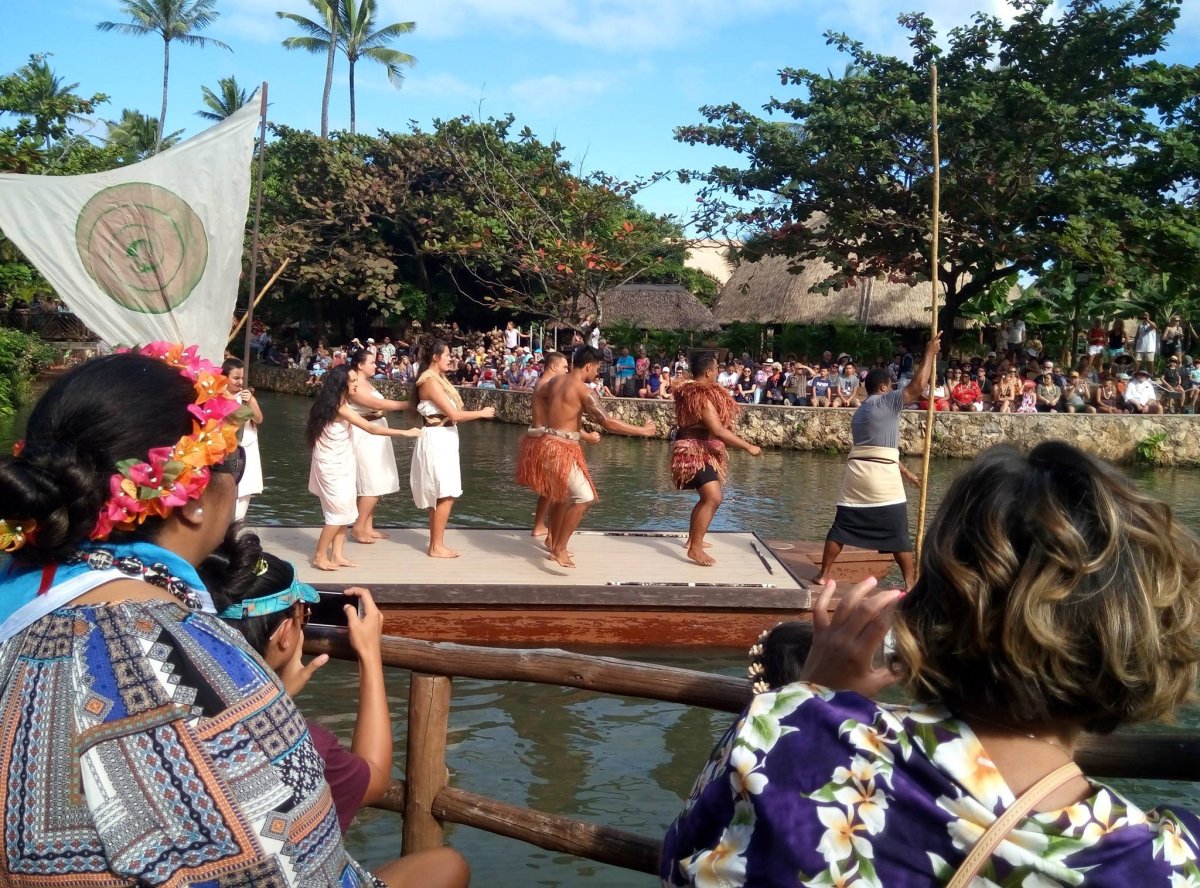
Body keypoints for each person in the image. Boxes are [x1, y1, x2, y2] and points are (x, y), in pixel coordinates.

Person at [665, 441, 1200, 887]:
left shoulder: (786, 733)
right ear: (1140, 634)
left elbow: (678, 862)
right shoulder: (1165, 865)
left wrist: (812, 697)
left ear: (933, 608)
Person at [0, 343, 381, 885]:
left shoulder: (23, 599)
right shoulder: (188, 661)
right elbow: (294, 864)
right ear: (195, 497)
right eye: (234, 463)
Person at [203, 543, 471, 888]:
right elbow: (374, 779)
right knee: (447, 864)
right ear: (284, 636)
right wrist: (370, 655)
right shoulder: (300, 742)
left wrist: (277, 694)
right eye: (303, 618)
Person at [814, 333, 938, 591]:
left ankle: (824, 574)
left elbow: (879, 450)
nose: (895, 389)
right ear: (883, 387)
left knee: (841, 526)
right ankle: (910, 581)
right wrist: (929, 353)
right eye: (892, 385)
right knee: (898, 533)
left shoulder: (859, 413)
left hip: (857, 475)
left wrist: (906, 473)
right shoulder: (887, 401)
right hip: (881, 479)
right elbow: (918, 387)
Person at [534, 346, 656, 568]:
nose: (598, 373)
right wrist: (642, 430)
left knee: (561, 497)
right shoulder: (584, 391)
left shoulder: (554, 382)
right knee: (584, 498)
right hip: (562, 448)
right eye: (598, 368)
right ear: (588, 366)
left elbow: (539, 396)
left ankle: (553, 541)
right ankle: (559, 549)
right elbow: (607, 422)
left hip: (548, 444)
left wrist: (544, 425)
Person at [307, 365, 422, 570]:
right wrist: (405, 433)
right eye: (352, 381)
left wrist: (377, 410)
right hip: (331, 465)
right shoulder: (338, 408)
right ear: (342, 384)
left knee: (347, 510)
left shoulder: (337, 403)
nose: (357, 384)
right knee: (337, 512)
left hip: (344, 461)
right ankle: (319, 555)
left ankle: (338, 555)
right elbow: (370, 428)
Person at [671, 356, 762, 566]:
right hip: (694, 452)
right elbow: (717, 430)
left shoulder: (689, 392)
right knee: (713, 498)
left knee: (706, 498)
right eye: (716, 370)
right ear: (708, 373)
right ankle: (695, 548)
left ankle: (693, 541)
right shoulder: (700, 397)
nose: (718, 373)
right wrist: (748, 446)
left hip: (700, 450)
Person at [410, 340, 496, 558]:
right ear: (436, 357)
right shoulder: (429, 381)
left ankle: (436, 544)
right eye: (448, 355)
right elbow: (455, 414)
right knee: (445, 493)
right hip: (437, 437)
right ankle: (436, 546)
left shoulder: (437, 379)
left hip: (444, 436)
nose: (451, 358)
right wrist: (482, 413)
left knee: (442, 493)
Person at [515, 351, 599, 545]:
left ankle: (545, 532)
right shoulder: (548, 385)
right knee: (556, 491)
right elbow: (559, 421)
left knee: (552, 491)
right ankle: (551, 537)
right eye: (563, 367)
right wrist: (586, 436)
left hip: (543, 438)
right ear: (553, 367)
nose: (566, 371)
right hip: (547, 440)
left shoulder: (545, 385)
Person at [341, 348, 412, 545]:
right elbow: (375, 403)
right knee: (370, 481)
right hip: (365, 433)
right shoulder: (353, 384)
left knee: (377, 480)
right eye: (371, 362)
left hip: (377, 431)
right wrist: (408, 404)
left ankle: (367, 526)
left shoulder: (364, 381)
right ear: (360, 364)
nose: (375, 365)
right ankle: (358, 526)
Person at [222, 356, 264, 520]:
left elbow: (259, 419)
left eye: (242, 378)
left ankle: (237, 524)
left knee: (245, 489)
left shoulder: (247, 396)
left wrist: (251, 401)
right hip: (230, 449)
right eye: (236, 378)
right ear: (225, 377)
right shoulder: (218, 396)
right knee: (229, 485)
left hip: (248, 447)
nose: (240, 382)